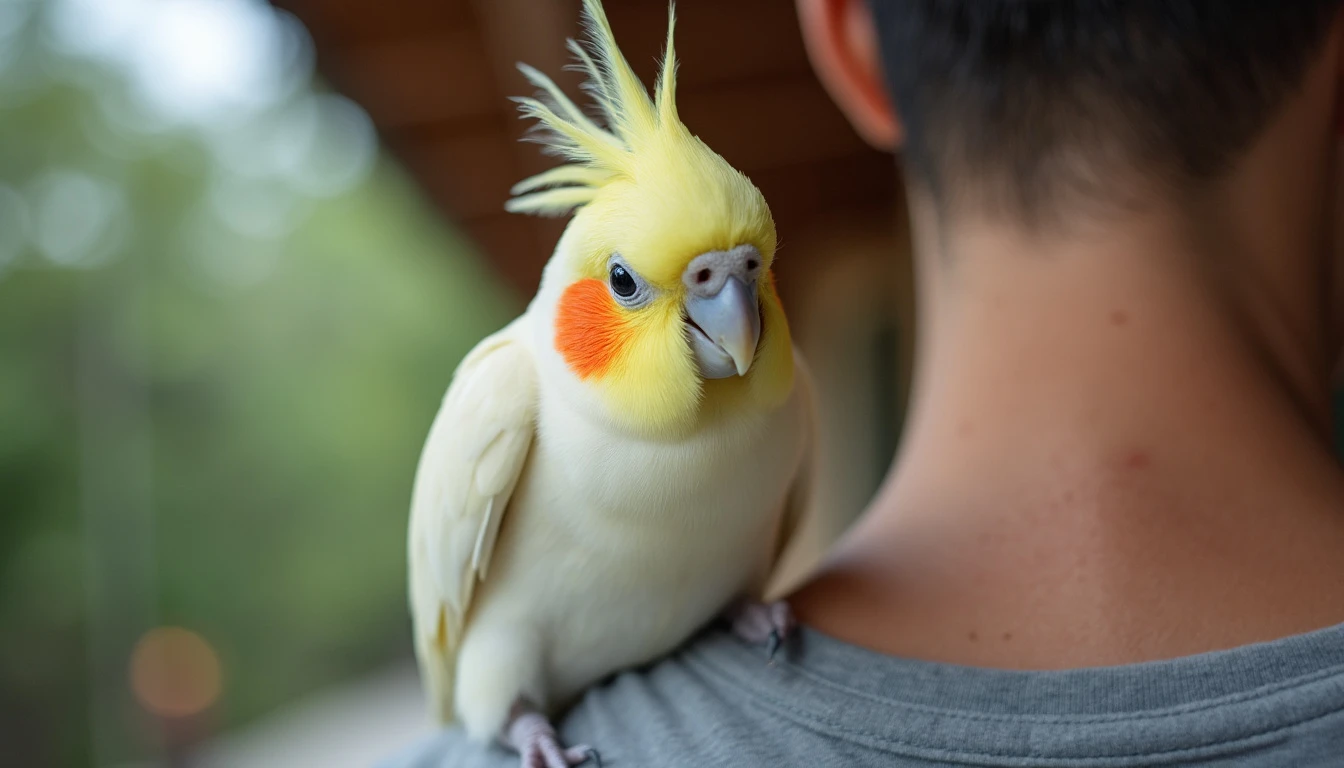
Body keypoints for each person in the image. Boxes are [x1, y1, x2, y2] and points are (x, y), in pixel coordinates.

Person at [384, 1, 1344, 764]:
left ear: (851, 43)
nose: (731, 313)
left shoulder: (780, 401)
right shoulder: (506, 402)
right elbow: (452, 651)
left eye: (748, 272)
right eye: (638, 287)